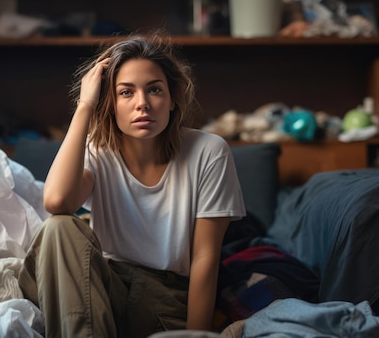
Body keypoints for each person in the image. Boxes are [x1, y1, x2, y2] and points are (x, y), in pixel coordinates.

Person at [18, 30, 246, 338]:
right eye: (126, 92)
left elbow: (206, 259)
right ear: (109, 102)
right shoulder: (96, 152)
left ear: (172, 99)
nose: (143, 104)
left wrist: (196, 336)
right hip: (100, 291)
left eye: (154, 90)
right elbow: (58, 202)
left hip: (165, 301)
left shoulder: (209, 152)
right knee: (59, 228)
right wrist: (85, 105)